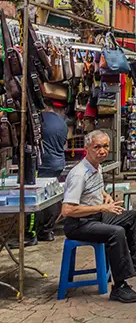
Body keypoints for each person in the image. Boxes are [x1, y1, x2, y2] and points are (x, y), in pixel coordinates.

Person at [62, 130, 136, 303]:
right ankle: (120, 287)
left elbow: (94, 189)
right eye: (97, 147)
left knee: (131, 217)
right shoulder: (79, 174)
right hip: (79, 224)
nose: (102, 151)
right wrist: (102, 207)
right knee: (116, 232)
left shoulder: (96, 166)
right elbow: (67, 210)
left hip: (96, 216)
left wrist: (104, 196)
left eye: (105, 146)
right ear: (87, 148)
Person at [35, 100, 67, 242]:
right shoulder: (62, 122)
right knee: (52, 195)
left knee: (42, 199)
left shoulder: (41, 121)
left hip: (45, 164)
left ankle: (42, 230)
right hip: (58, 162)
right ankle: (47, 230)